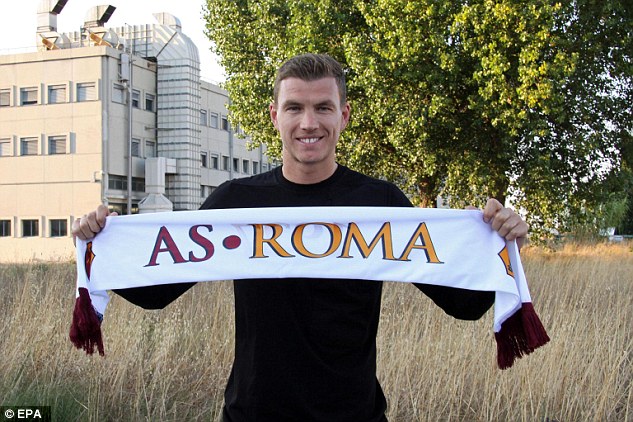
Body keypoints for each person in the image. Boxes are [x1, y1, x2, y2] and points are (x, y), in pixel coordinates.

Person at [73, 53, 528, 422]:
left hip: (355, 417)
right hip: (252, 416)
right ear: (275, 116)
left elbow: (463, 305)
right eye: (294, 108)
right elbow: (158, 294)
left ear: (343, 115)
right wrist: (98, 244)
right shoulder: (236, 201)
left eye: (323, 107)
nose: (309, 122)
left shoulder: (380, 203)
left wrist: (502, 247)